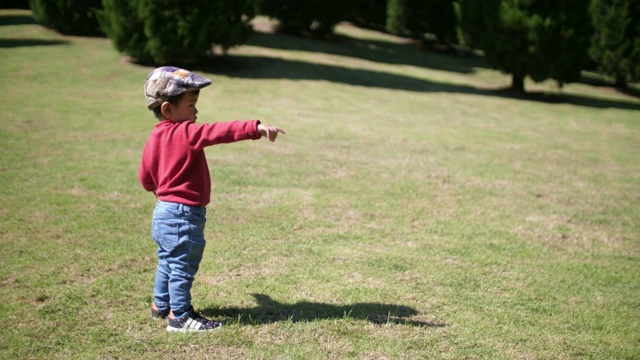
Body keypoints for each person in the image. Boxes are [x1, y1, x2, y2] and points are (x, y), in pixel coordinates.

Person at [138, 66, 285, 332]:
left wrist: (158, 191)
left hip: (163, 211)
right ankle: (179, 316)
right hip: (184, 214)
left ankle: (160, 305)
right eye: (191, 105)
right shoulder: (185, 132)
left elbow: (145, 176)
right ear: (169, 110)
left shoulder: (152, 139)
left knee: (167, 260)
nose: (196, 112)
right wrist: (256, 127)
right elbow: (219, 132)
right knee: (183, 265)